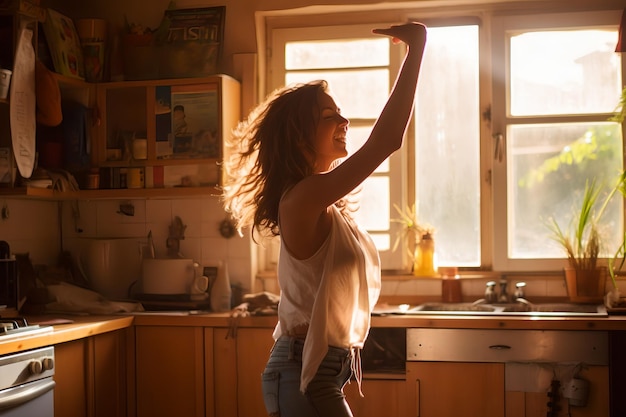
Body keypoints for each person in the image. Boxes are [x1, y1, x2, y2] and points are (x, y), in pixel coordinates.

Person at [221, 22, 427, 417]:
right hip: (301, 373)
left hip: (318, 373)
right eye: (330, 116)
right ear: (300, 136)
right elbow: (387, 141)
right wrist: (415, 48)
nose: (344, 122)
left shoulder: (322, 204)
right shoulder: (301, 199)